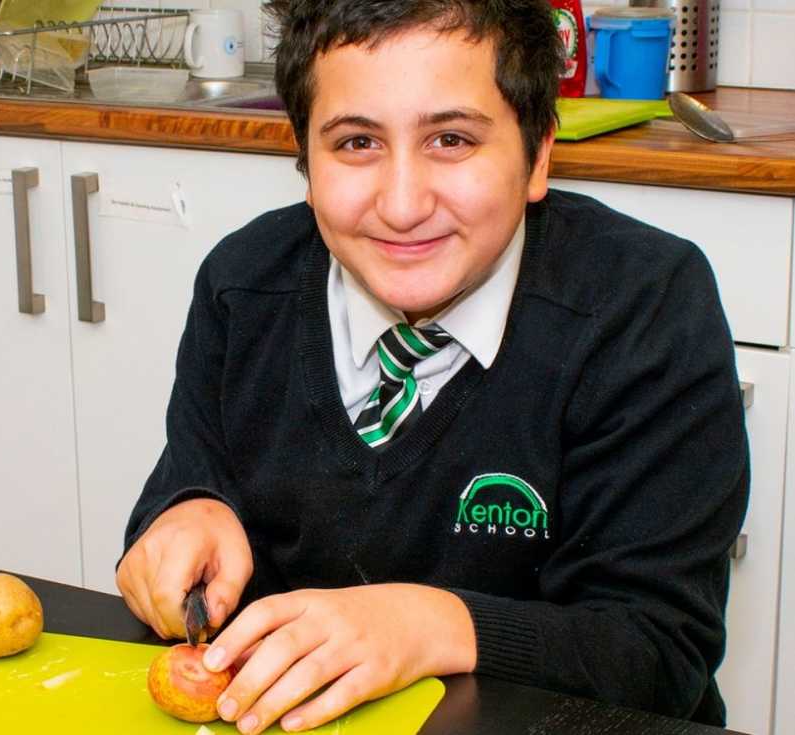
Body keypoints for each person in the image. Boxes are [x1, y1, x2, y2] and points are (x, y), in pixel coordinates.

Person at [116, 0, 749, 732]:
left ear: (537, 154)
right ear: (304, 159)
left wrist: (429, 624)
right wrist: (183, 512)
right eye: (355, 143)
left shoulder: (643, 306)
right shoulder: (241, 283)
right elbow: (190, 482)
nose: (403, 204)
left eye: (450, 139)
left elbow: (659, 653)